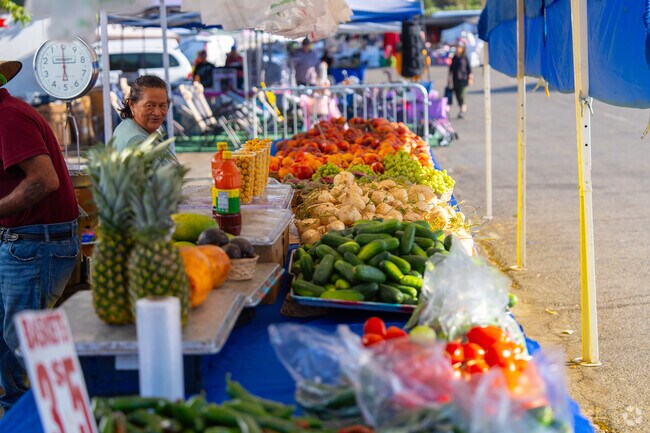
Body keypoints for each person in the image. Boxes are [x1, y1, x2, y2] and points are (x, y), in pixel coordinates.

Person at [0, 60, 80, 411]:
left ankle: (64, 412)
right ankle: (23, 412)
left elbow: (44, 181)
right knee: (10, 339)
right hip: (23, 240)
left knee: (26, 338)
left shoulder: (8, 117)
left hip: (36, 243)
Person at [112, 75, 170, 151]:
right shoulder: (136, 140)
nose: (157, 113)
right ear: (132, 105)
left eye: (162, 106)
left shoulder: (135, 127)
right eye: (149, 105)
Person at [448, 41, 473, 119]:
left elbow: (469, 69)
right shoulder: (454, 57)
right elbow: (451, 70)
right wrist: (448, 79)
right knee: (457, 95)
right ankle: (461, 108)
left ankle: (462, 110)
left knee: (462, 95)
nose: (458, 48)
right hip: (455, 79)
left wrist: (470, 78)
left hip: (463, 79)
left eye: (459, 47)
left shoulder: (465, 58)